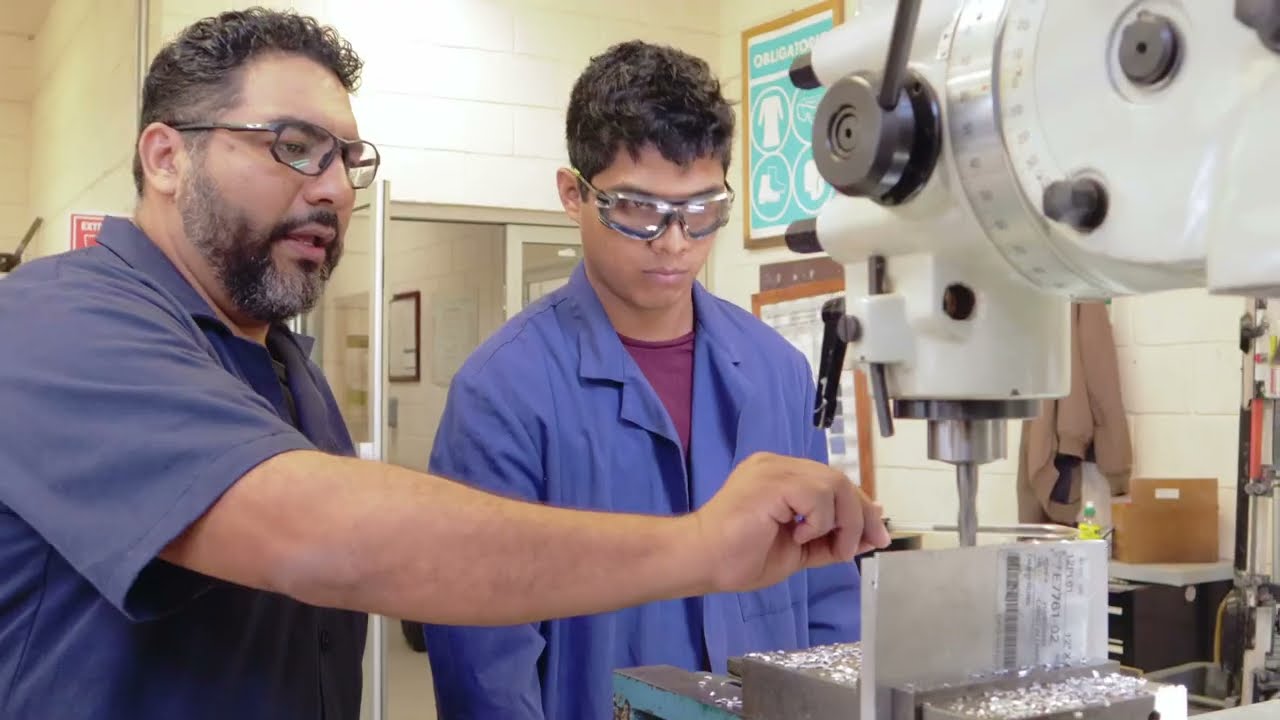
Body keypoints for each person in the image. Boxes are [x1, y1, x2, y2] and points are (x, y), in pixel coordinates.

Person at [0, 11, 887, 720]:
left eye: (348, 159)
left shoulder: (280, 368)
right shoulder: (53, 325)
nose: (335, 187)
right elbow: (334, 540)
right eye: (294, 148)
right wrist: (700, 546)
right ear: (166, 156)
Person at [421, 40, 867, 720]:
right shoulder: (502, 391)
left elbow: (831, 600)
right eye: (637, 209)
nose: (674, 242)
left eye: (701, 210)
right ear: (574, 194)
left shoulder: (779, 371)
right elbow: (485, 668)